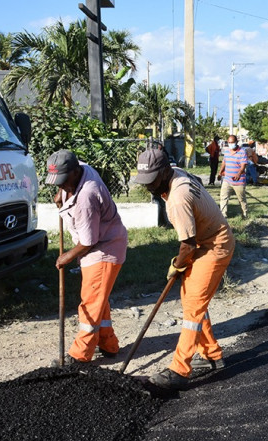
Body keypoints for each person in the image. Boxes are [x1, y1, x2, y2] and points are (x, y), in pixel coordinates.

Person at [132, 149, 235, 390]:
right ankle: (211, 354)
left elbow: (187, 245)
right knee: (191, 300)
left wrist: (177, 266)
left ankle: (180, 369)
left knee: (193, 308)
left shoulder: (178, 198)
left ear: (165, 171)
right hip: (204, 241)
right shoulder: (176, 174)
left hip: (214, 246)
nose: (149, 187)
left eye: (153, 181)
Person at [48, 149, 128, 364]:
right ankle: (109, 344)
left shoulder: (87, 196)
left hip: (104, 248)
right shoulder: (80, 167)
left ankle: (80, 354)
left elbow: (88, 242)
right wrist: (62, 196)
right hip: (99, 242)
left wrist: (65, 257)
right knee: (99, 299)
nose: (61, 186)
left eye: (64, 182)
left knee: (90, 303)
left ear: (75, 172)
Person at [218, 135, 249, 217]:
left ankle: (245, 214)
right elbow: (224, 162)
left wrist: (239, 174)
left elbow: (243, 166)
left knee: (241, 199)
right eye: (229, 142)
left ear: (236, 142)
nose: (231, 144)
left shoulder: (242, 152)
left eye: (232, 142)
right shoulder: (227, 151)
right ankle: (223, 215)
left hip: (239, 181)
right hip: (227, 179)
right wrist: (220, 172)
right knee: (223, 197)